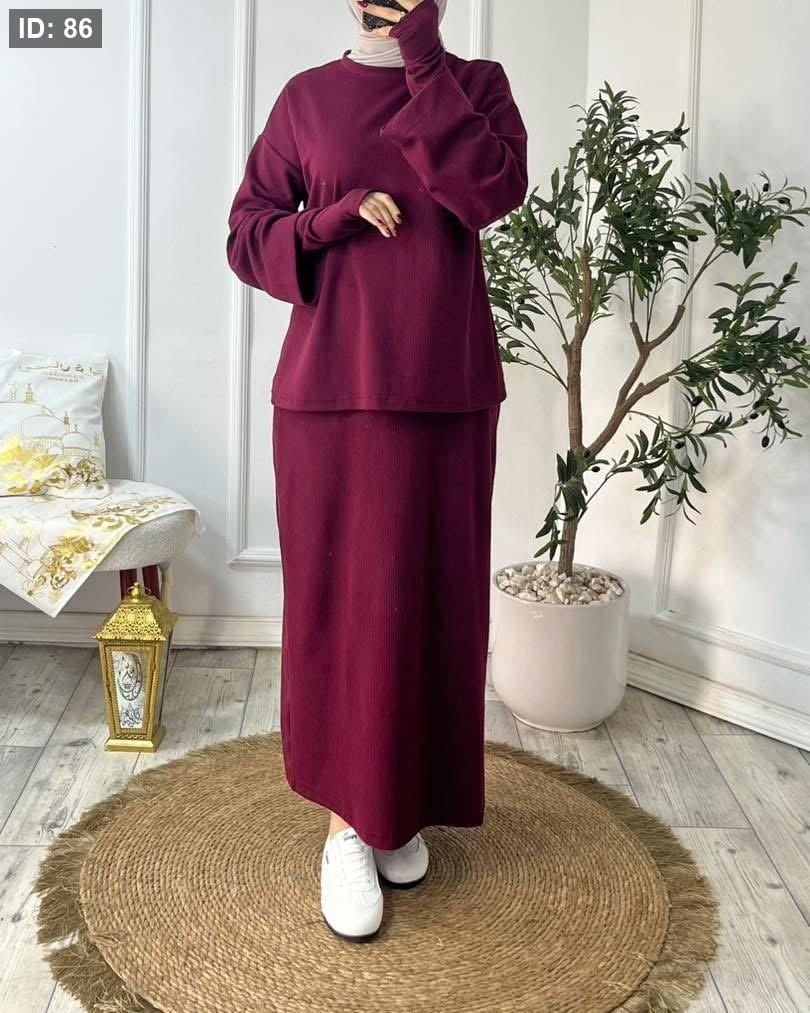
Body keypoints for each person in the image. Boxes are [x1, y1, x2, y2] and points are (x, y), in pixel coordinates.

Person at [226, 0, 528, 942]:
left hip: (447, 390)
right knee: (346, 612)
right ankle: (345, 825)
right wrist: (328, 221)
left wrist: (424, 57)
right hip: (330, 396)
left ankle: (399, 807)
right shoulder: (306, 99)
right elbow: (246, 233)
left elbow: (489, 192)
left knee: (434, 607)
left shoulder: (475, 86)